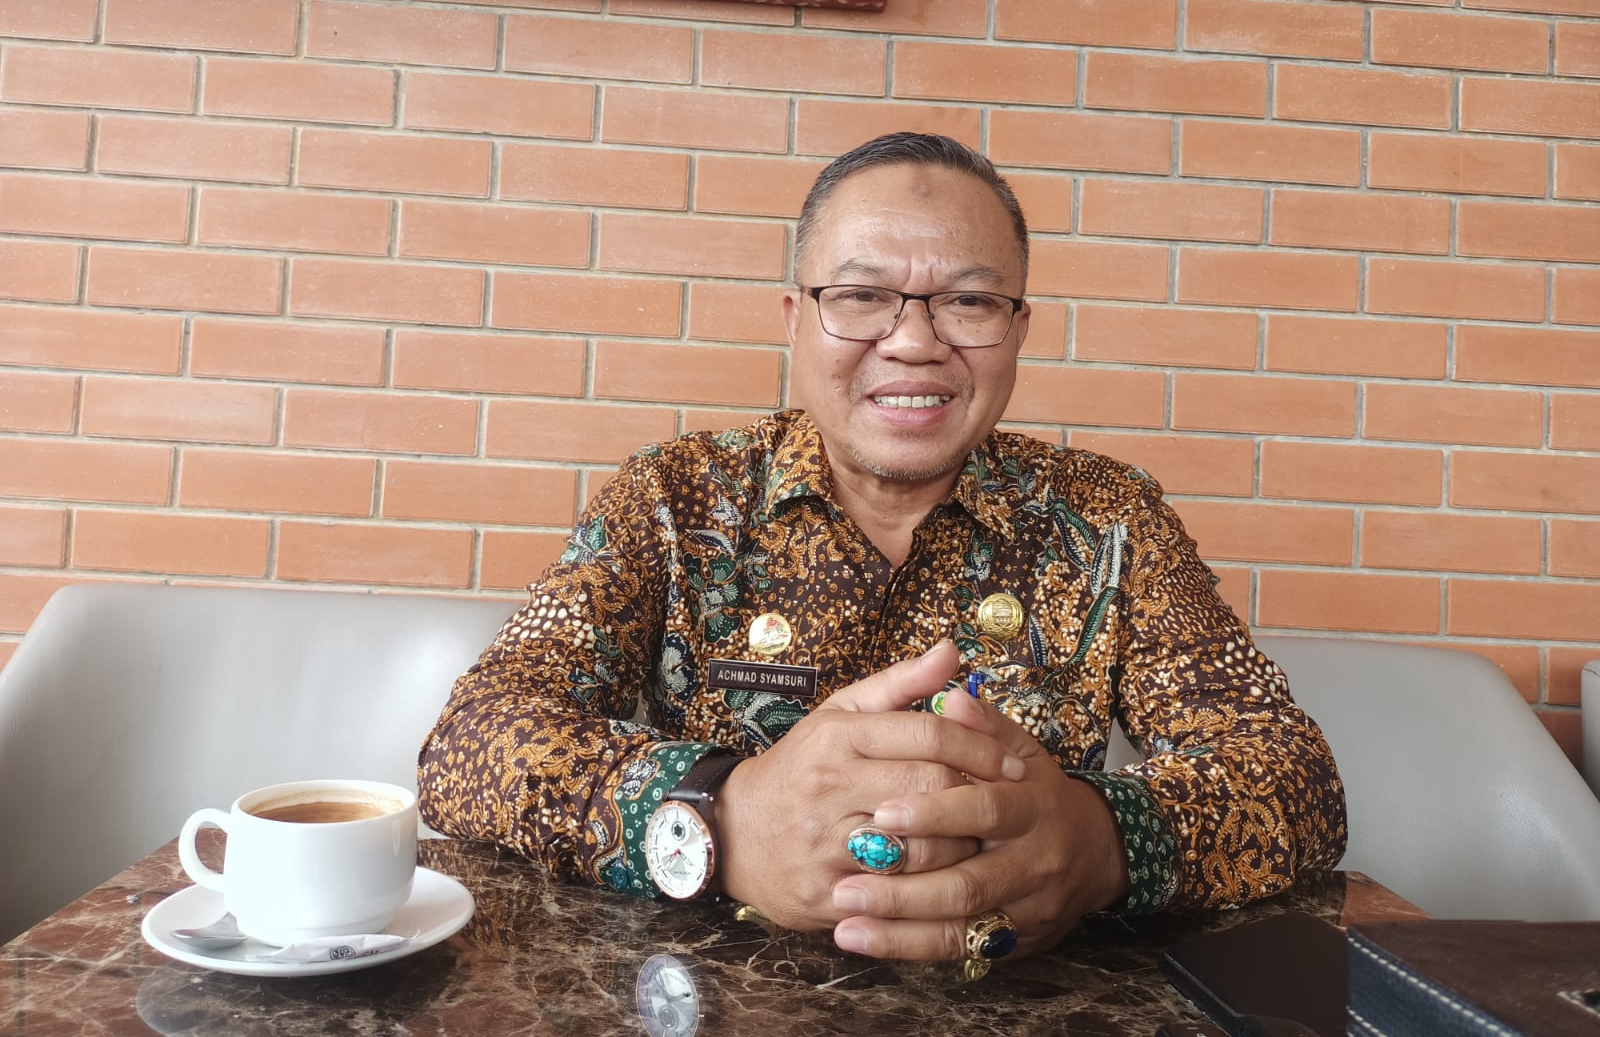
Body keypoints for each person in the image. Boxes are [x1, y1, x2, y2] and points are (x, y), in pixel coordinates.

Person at [419, 132, 1347, 978]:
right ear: (795, 318)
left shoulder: (1110, 520)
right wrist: (717, 816)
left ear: (1018, 329)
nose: (912, 342)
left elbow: (1290, 774)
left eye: (969, 301)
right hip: (713, 997)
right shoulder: (675, 499)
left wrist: (1104, 841)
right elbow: (474, 741)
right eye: (861, 296)